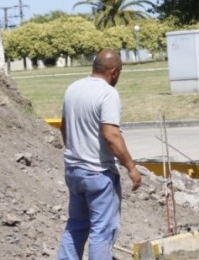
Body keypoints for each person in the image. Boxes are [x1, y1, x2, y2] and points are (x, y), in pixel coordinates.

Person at [58, 50, 142, 260]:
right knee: (102, 231)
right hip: (98, 173)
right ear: (114, 71)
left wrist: (76, 151)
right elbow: (111, 135)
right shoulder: (107, 93)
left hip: (73, 171)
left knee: (76, 225)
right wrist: (131, 167)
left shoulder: (73, 88)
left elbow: (64, 127)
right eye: (120, 72)